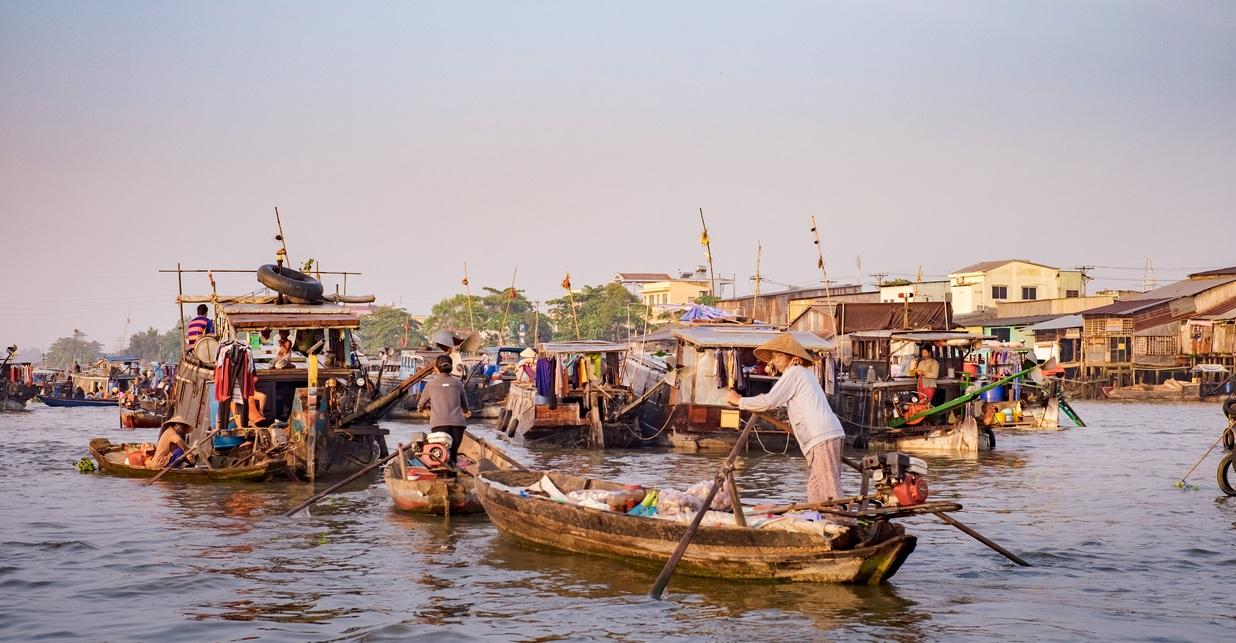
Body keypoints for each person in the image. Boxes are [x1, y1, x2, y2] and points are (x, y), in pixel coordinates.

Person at [726, 333, 846, 504]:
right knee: (816, 487)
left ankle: (841, 523)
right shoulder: (804, 374)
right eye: (773, 356)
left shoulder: (795, 373)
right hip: (825, 434)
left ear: (792, 358)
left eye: (777, 356)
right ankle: (820, 519)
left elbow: (769, 401)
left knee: (828, 488)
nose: (773, 361)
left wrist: (739, 400)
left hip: (821, 436)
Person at [416, 355, 471, 467]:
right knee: (453, 454)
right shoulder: (458, 384)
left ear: (436, 369)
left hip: (438, 424)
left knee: (441, 454)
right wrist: (466, 412)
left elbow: (420, 405)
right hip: (458, 425)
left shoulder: (430, 384)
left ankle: (442, 466)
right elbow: (465, 406)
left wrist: (421, 410)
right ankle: (453, 464)